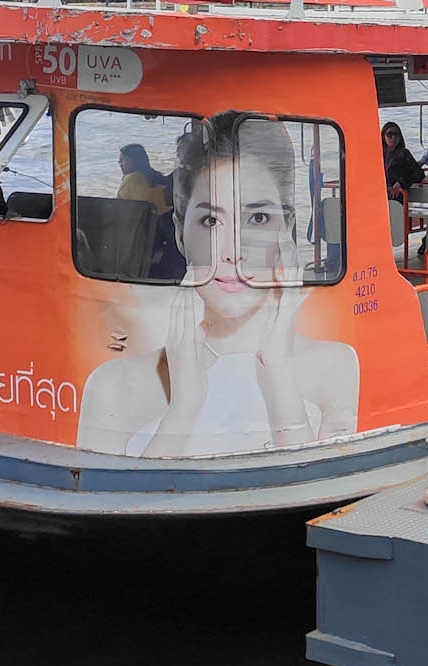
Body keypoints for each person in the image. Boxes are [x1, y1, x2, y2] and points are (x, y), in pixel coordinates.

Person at [79, 112, 360, 457]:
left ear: (287, 229)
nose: (233, 252)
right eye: (211, 220)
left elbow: (324, 494)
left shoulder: (336, 365)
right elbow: (122, 504)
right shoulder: (113, 386)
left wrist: (280, 375)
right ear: (181, 232)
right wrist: (183, 407)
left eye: (258, 218)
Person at [116, 144, 172, 214]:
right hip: (162, 221)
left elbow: (118, 209)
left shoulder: (131, 179)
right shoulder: (157, 177)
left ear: (131, 161)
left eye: (121, 160)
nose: (120, 164)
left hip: (143, 223)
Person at [381, 122, 423, 198]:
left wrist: (401, 183)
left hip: (396, 196)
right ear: (383, 136)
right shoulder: (378, 154)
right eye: (389, 134)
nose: (393, 137)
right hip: (380, 195)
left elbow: (419, 174)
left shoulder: (404, 154)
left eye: (396, 134)